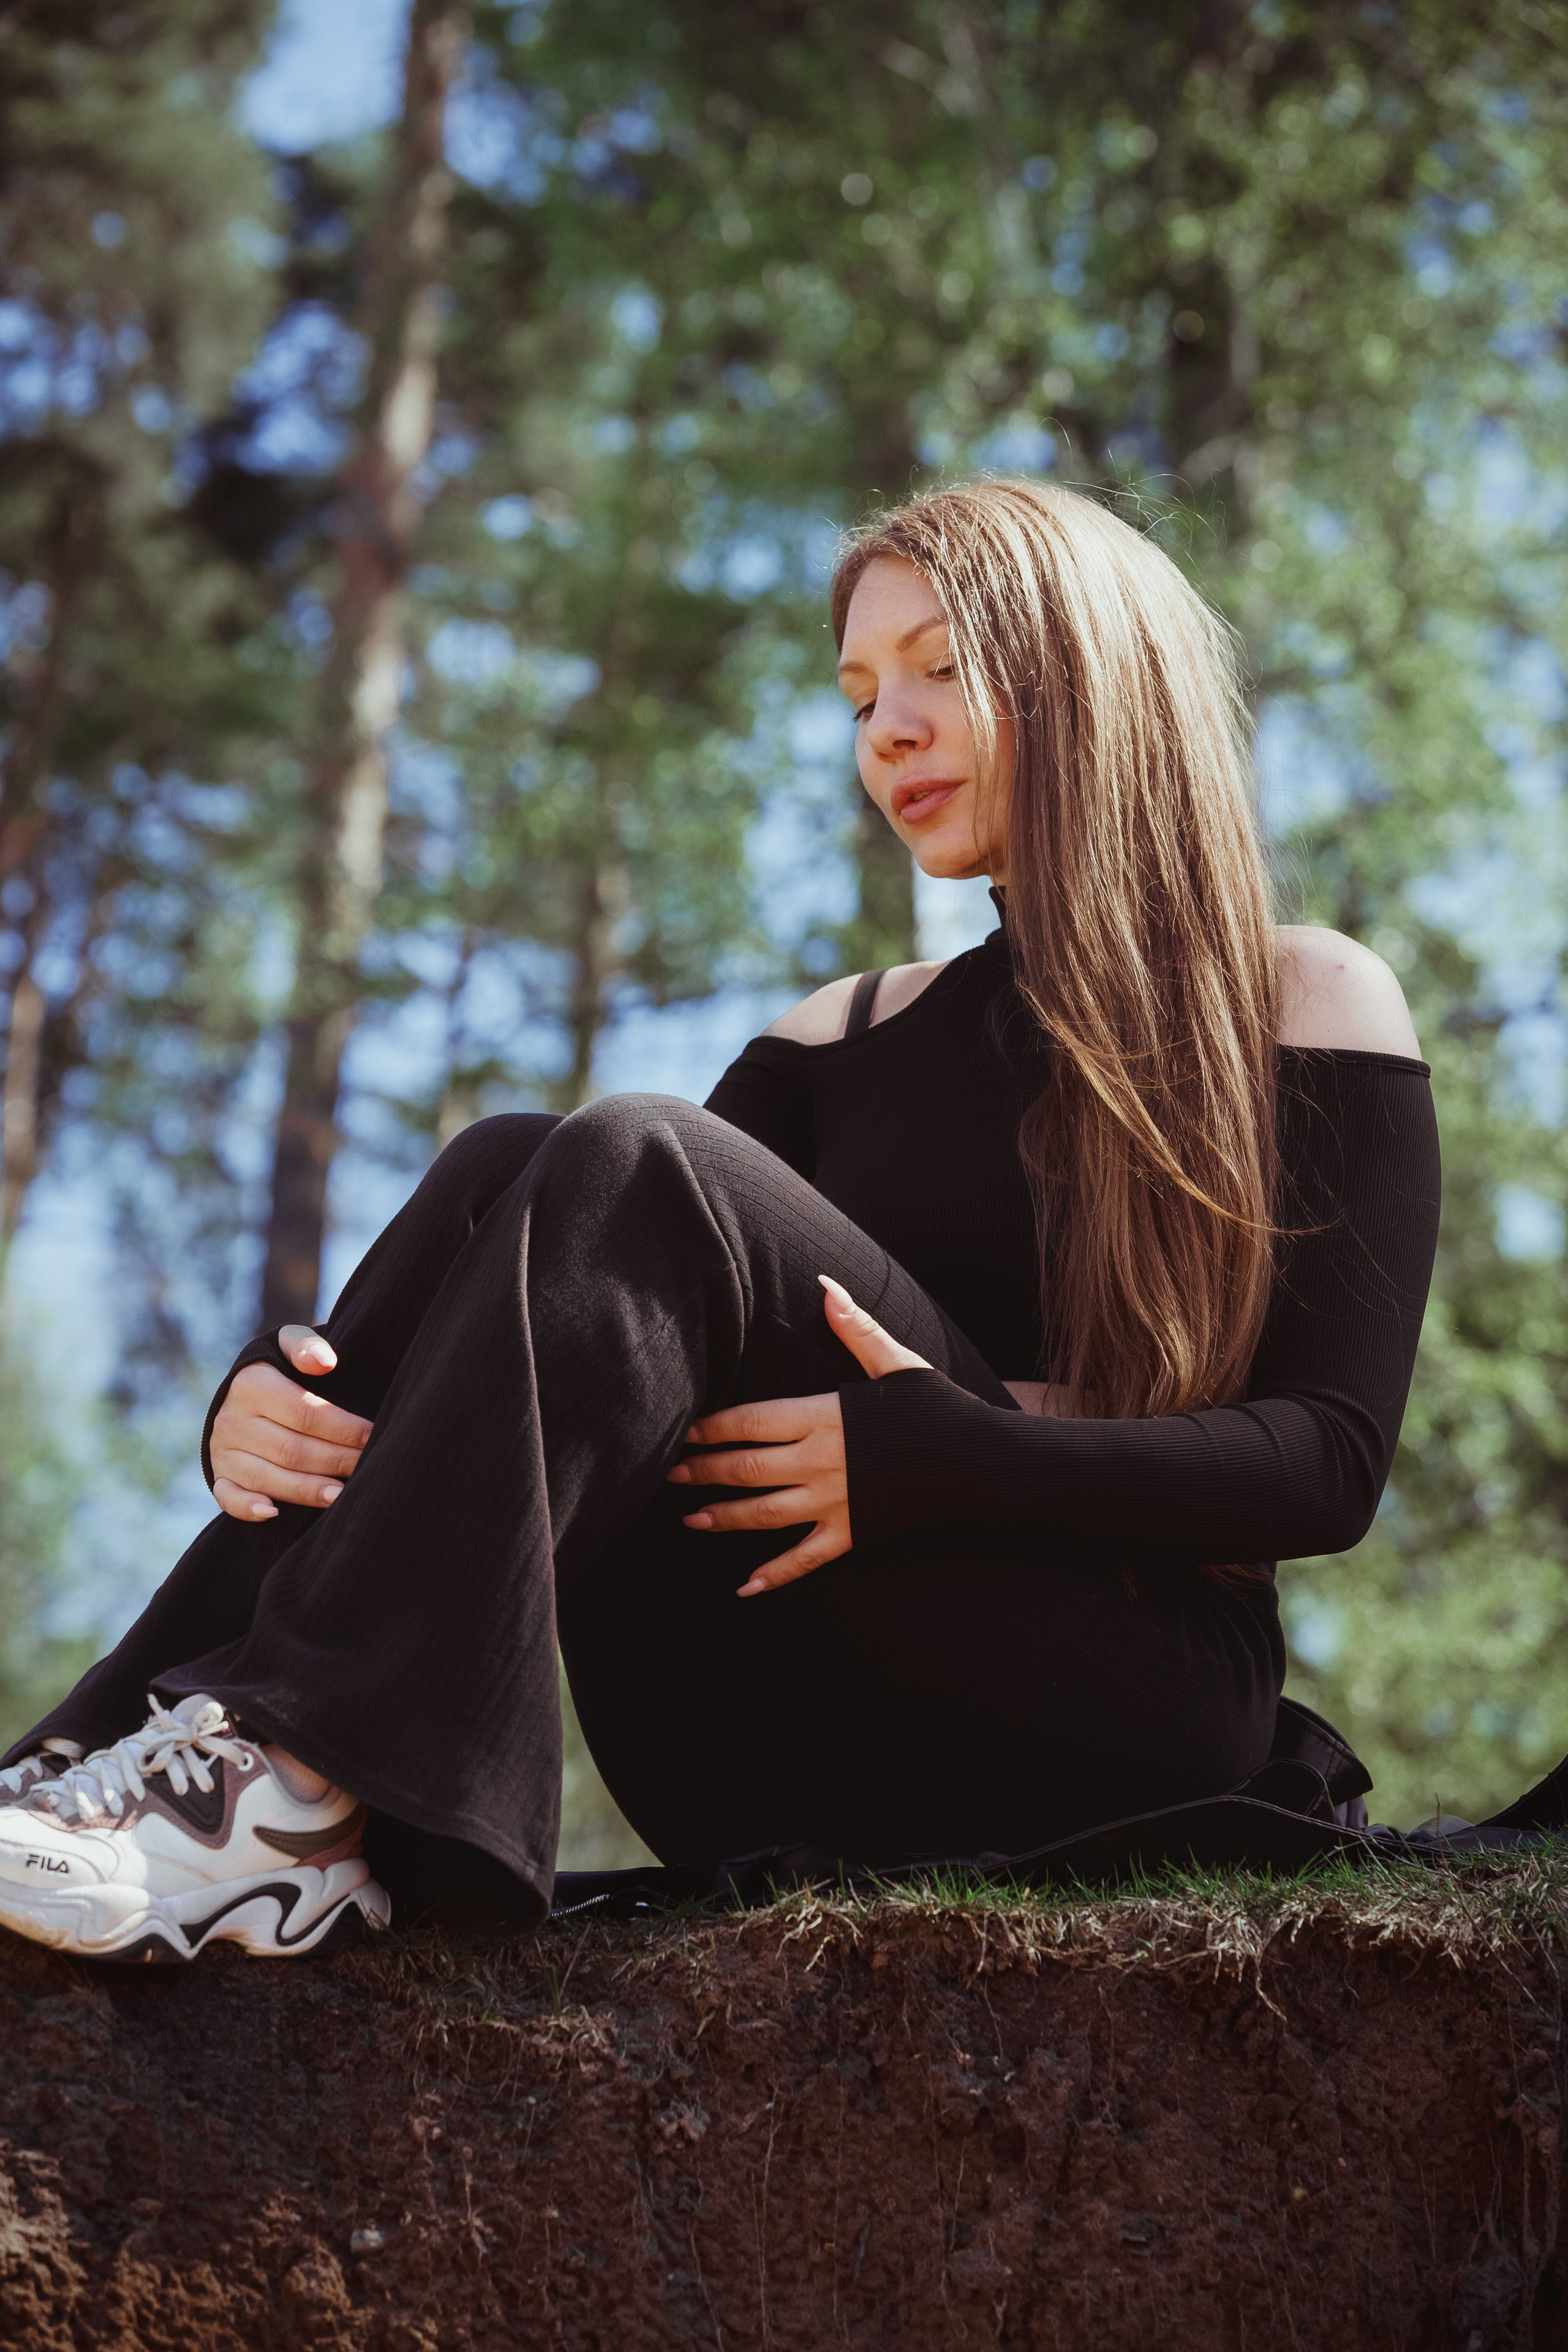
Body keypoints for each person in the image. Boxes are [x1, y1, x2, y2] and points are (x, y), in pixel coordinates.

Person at [0, 478, 1438, 1964]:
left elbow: (1321, 1462)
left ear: (1090, 666)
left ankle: (291, 1796)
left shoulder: (1300, 999)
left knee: (627, 1156)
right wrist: (270, 1401)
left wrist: (950, 1454)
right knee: (515, 1165)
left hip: (1113, 1702)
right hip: (752, 1722)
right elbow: (582, 1320)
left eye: (941, 668)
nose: (885, 729)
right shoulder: (836, 1038)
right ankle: (159, 1757)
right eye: (859, 691)